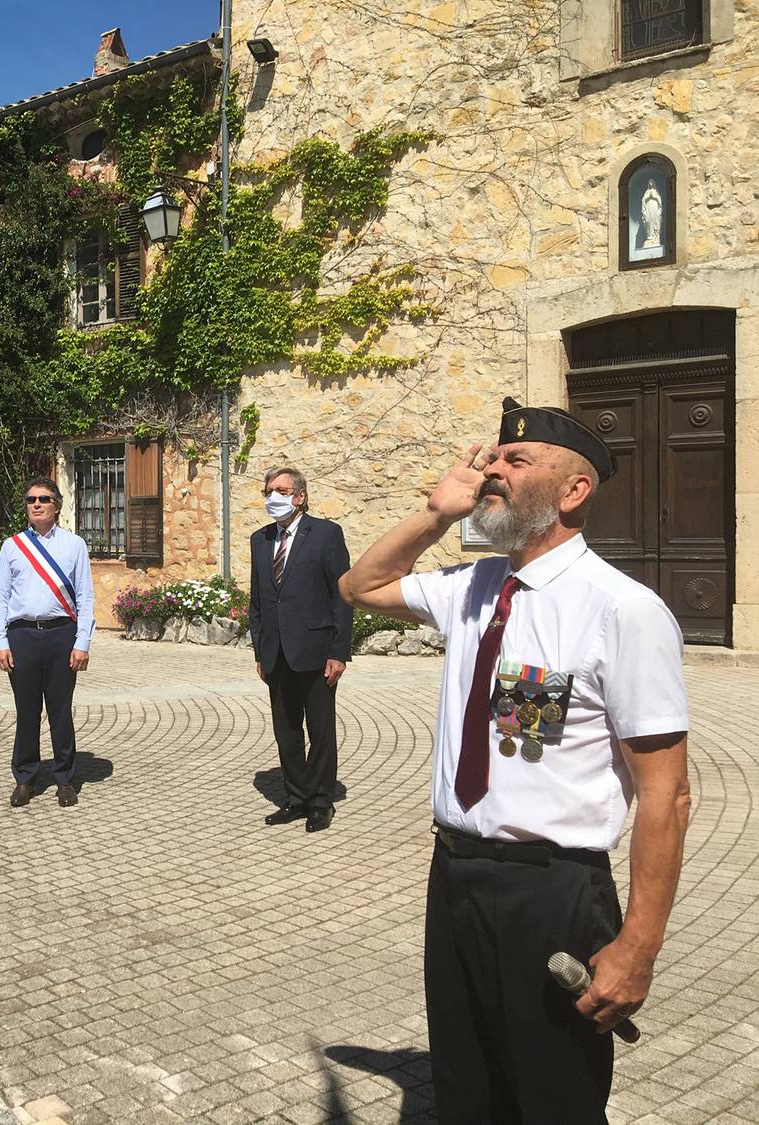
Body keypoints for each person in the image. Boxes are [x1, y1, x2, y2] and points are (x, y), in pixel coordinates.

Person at [338, 398, 691, 1123]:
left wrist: (638, 946)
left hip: (553, 895)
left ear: (573, 491)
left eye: (514, 461)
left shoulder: (619, 609)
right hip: (457, 877)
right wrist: (437, 515)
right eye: (492, 458)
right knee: (466, 1090)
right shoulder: (473, 587)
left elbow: (667, 794)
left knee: (553, 1099)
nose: (491, 469)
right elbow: (360, 586)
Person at [248, 466, 352, 833]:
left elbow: (342, 595)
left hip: (316, 650)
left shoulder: (325, 534)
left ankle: (320, 802)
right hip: (276, 652)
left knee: (320, 731)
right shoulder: (259, 539)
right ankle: (295, 798)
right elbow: (258, 600)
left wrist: (339, 651)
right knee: (287, 731)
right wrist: (260, 651)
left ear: (300, 496)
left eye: (280, 490)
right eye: (268, 491)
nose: (272, 497)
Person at [0, 477, 95, 808]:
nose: (36, 504)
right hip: (23, 636)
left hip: (62, 634)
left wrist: (83, 643)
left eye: (44, 499)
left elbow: (87, 598)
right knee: (27, 710)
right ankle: (25, 778)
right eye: (31, 499)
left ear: (57, 506)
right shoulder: (12, 546)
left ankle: (64, 779)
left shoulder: (74, 545)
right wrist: (0, 642)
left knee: (60, 710)